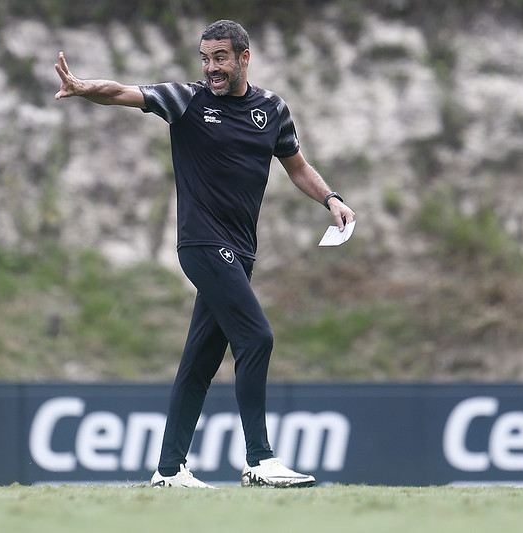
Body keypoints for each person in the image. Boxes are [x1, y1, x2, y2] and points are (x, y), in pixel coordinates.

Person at [54, 19, 355, 488]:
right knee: (257, 339)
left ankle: (169, 470)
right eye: (205, 58)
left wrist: (331, 198)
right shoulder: (187, 99)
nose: (211, 68)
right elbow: (122, 93)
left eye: (220, 58)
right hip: (201, 244)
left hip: (241, 253)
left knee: (198, 364)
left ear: (243, 58)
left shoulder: (272, 109)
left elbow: (296, 165)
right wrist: (84, 87)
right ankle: (259, 460)